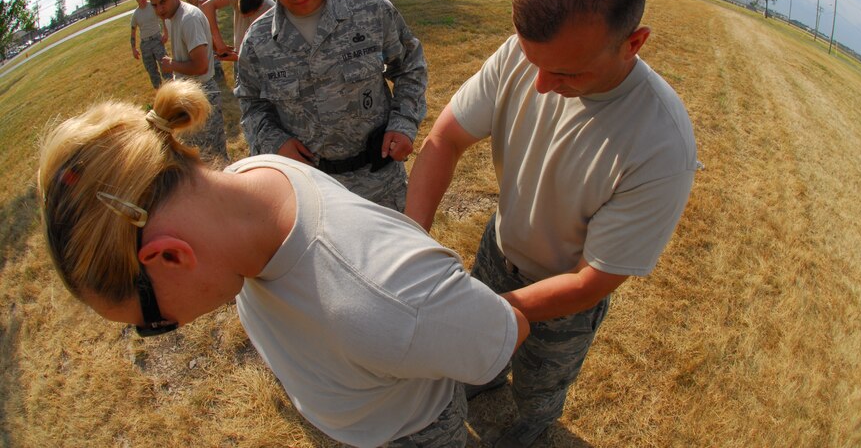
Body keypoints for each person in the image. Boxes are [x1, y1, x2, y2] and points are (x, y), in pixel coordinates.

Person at [36, 80, 529, 447]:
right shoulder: (248, 181)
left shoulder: (389, 297)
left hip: (412, 431)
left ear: (167, 255)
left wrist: (591, 279)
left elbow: (502, 331)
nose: (174, 324)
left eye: (154, 323)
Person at [404, 0, 699, 447]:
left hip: (567, 297)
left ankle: (527, 429)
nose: (540, 84)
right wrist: (409, 244)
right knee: (475, 363)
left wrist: (499, 313)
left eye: (566, 73)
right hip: (499, 250)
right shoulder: (526, 55)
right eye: (532, 60)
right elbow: (445, 140)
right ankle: (482, 381)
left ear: (633, 43)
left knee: (538, 390)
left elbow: (594, 281)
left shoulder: (661, 145)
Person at [235, 0, 427, 211]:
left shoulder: (371, 10)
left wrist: (404, 123)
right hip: (308, 192)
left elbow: (410, 66)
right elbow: (251, 104)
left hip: (379, 185)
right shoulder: (258, 42)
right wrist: (275, 141)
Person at [148, 0, 228, 163]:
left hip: (202, 94)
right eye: (154, 5)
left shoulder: (188, 19)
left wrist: (171, 64)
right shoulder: (171, 17)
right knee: (196, 158)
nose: (159, 9)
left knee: (213, 158)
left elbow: (201, 66)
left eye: (163, 2)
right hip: (189, 95)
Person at [200, 0, 274, 61]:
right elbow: (207, 6)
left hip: (256, 64)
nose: (243, 17)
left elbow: (270, 56)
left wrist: (238, 58)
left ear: (260, 7)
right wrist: (219, 43)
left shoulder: (271, 12)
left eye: (248, 15)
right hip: (239, 55)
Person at [186, 0, 226, 83]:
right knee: (209, 47)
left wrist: (198, 1)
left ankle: (219, 73)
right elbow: (201, 3)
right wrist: (195, 3)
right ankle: (215, 72)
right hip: (203, 21)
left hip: (211, 21)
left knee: (215, 47)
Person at [129, 0, 171, 89]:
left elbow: (163, 18)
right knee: (152, 71)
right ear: (137, 0)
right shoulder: (136, 15)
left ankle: (172, 89)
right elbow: (133, 32)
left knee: (165, 66)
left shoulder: (153, 6)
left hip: (157, 40)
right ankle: (159, 92)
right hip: (145, 44)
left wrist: (166, 33)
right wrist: (134, 49)